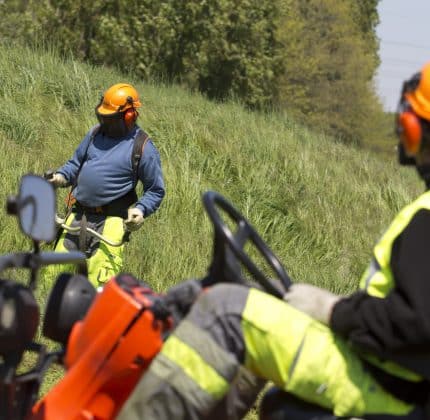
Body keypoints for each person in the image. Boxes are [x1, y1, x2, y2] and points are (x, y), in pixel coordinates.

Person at [117, 63, 430, 420]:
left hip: (382, 385)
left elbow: (417, 324)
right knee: (260, 306)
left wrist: (334, 310)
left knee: (225, 310)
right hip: (395, 377)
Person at [48, 83, 165, 287]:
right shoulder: (94, 134)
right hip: (77, 215)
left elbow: (155, 190)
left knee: (97, 288)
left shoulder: (143, 147)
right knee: (52, 279)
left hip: (110, 223)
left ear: (129, 116)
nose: (104, 121)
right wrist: (60, 177)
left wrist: (140, 209)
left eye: (110, 118)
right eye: (102, 116)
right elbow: (74, 164)